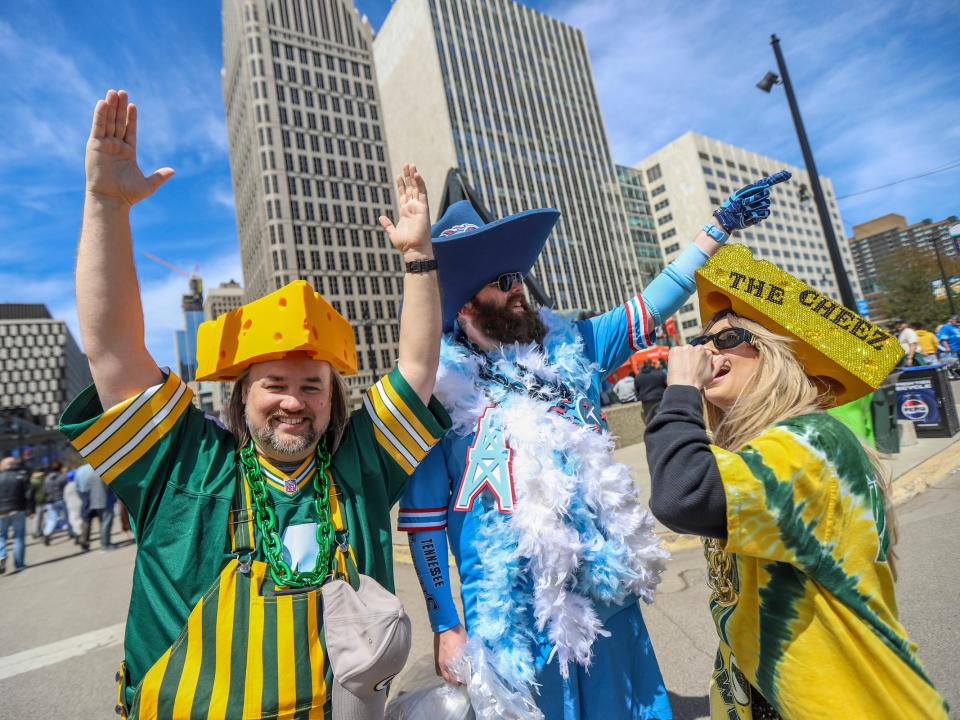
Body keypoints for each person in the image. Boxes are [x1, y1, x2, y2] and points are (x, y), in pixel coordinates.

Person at [59, 89, 449, 718]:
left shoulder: (360, 469)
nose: (294, 401)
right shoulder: (185, 468)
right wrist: (105, 203)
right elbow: (112, 353)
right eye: (274, 384)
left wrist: (418, 258)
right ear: (241, 398)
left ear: (333, 399)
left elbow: (417, 368)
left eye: (312, 385)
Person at [399, 172, 792, 719]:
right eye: (504, 281)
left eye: (519, 276)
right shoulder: (438, 393)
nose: (521, 288)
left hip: (603, 587)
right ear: (467, 306)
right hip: (511, 609)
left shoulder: (575, 348)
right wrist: (445, 625)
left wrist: (716, 230)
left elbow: (653, 302)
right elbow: (421, 520)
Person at [644, 244, 948, 718]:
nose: (705, 349)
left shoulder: (812, 440)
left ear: (775, 355)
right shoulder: (759, 452)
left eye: (726, 340)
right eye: (702, 339)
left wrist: (680, 390)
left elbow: (682, 494)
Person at [0, 456, 34, 574]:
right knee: (18, 537)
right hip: (18, 509)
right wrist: (31, 509)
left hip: (1, 512)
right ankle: (19, 564)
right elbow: (29, 494)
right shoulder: (21, 476)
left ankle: (1, 555)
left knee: (1, 536)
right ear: (14, 465)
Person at [78, 464, 114, 552]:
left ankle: (84, 542)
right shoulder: (101, 469)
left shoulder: (80, 470)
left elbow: (79, 488)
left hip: (88, 497)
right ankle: (105, 544)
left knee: (87, 520)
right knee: (105, 521)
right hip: (102, 498)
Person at [41, 460, 73, 545]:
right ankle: (72, 533)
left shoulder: (46, 478)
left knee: (52, 519)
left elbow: (44, 490)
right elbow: (68, 488)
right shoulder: (63, 477)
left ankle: (47, 534)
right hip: (62, 499)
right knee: (68, 517)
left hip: (50, 501)